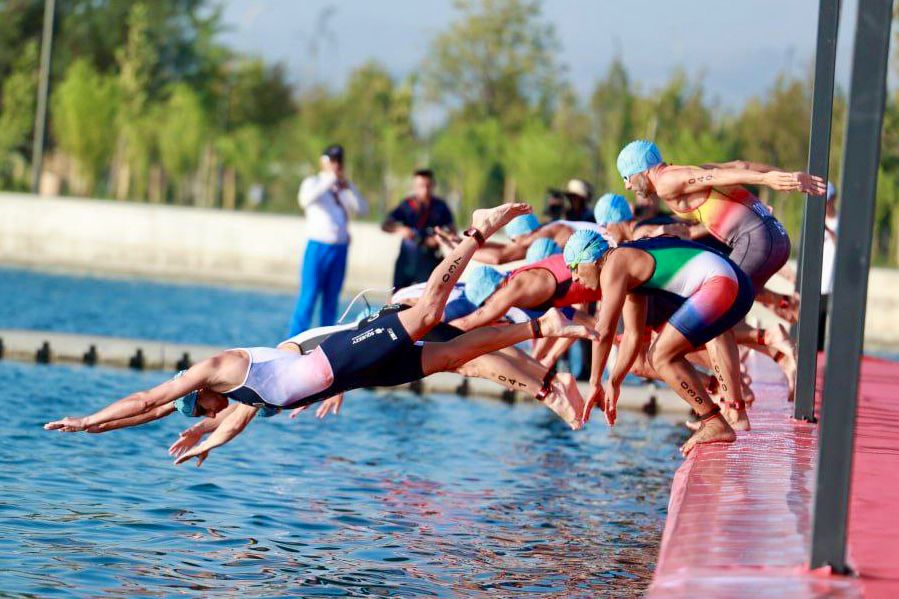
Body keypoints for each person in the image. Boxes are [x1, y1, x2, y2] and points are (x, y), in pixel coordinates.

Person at [45, 204, 599, 465]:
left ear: (202, 392)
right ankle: (542, 326)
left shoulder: (218, 370)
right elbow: (170, 416)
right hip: (354, 375)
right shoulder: (240, 403)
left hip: (343, 353)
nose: (206, 415)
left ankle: (479, 227)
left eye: (200, 411)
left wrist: (87, 418)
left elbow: (148, 397)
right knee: (455, 356)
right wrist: (204, 443)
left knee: (431, 310)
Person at [563, 229, 756, 455]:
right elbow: (633, 336)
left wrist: (595, 382)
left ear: (592, 259)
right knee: (660, 354)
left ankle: (715, 422)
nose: (574, 277)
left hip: (723, 284)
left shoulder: (613, 265)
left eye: (574, 267)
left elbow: (604, 330)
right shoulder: (628, 267)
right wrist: (614, 382)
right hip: (736, 283)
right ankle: (723, 414)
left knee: (660, 356)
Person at [616, 140, 826, 321]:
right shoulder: (687, 172)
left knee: (709, 309)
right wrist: (788, 177)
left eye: (626, 177)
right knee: (722, 297)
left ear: (641, 170)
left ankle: (767, 338)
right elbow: (739, 165)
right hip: (777, 239)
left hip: (756, 240)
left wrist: (766, 180)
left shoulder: (665, 181)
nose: (627, 185)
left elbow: (716, 176)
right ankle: (783, 303)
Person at [289, 144, 369, 336]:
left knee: (331, 300)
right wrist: (329, 180)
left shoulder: (344, 187)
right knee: (308, 297)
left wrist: (347, 188)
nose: (336, 165)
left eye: (339, 161)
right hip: (317, 247)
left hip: (339, 249)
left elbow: (363, 209)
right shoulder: (313, 182)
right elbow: (304, 200)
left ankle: (323, 340)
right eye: (332, 160)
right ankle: (293, 340)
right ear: (323, 161)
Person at [382, 169, 456, 289]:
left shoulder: (440, 207)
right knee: (396, 297)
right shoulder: (407, 205)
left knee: (428, 297)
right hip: (406, 260)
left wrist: (439, 238)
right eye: (421, 186)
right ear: (414, 186)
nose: (425, 190)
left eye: (428, 186)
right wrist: (401, 230)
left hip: (430, 260)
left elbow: (452, 231)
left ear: (433, 185)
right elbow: (385, 225)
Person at [819, 181, 839, 350]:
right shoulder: (816, 222)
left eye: (827, 200)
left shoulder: (841, 222)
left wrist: (830, 231)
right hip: (818, 284)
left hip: (834, 285)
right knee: (817, 326)